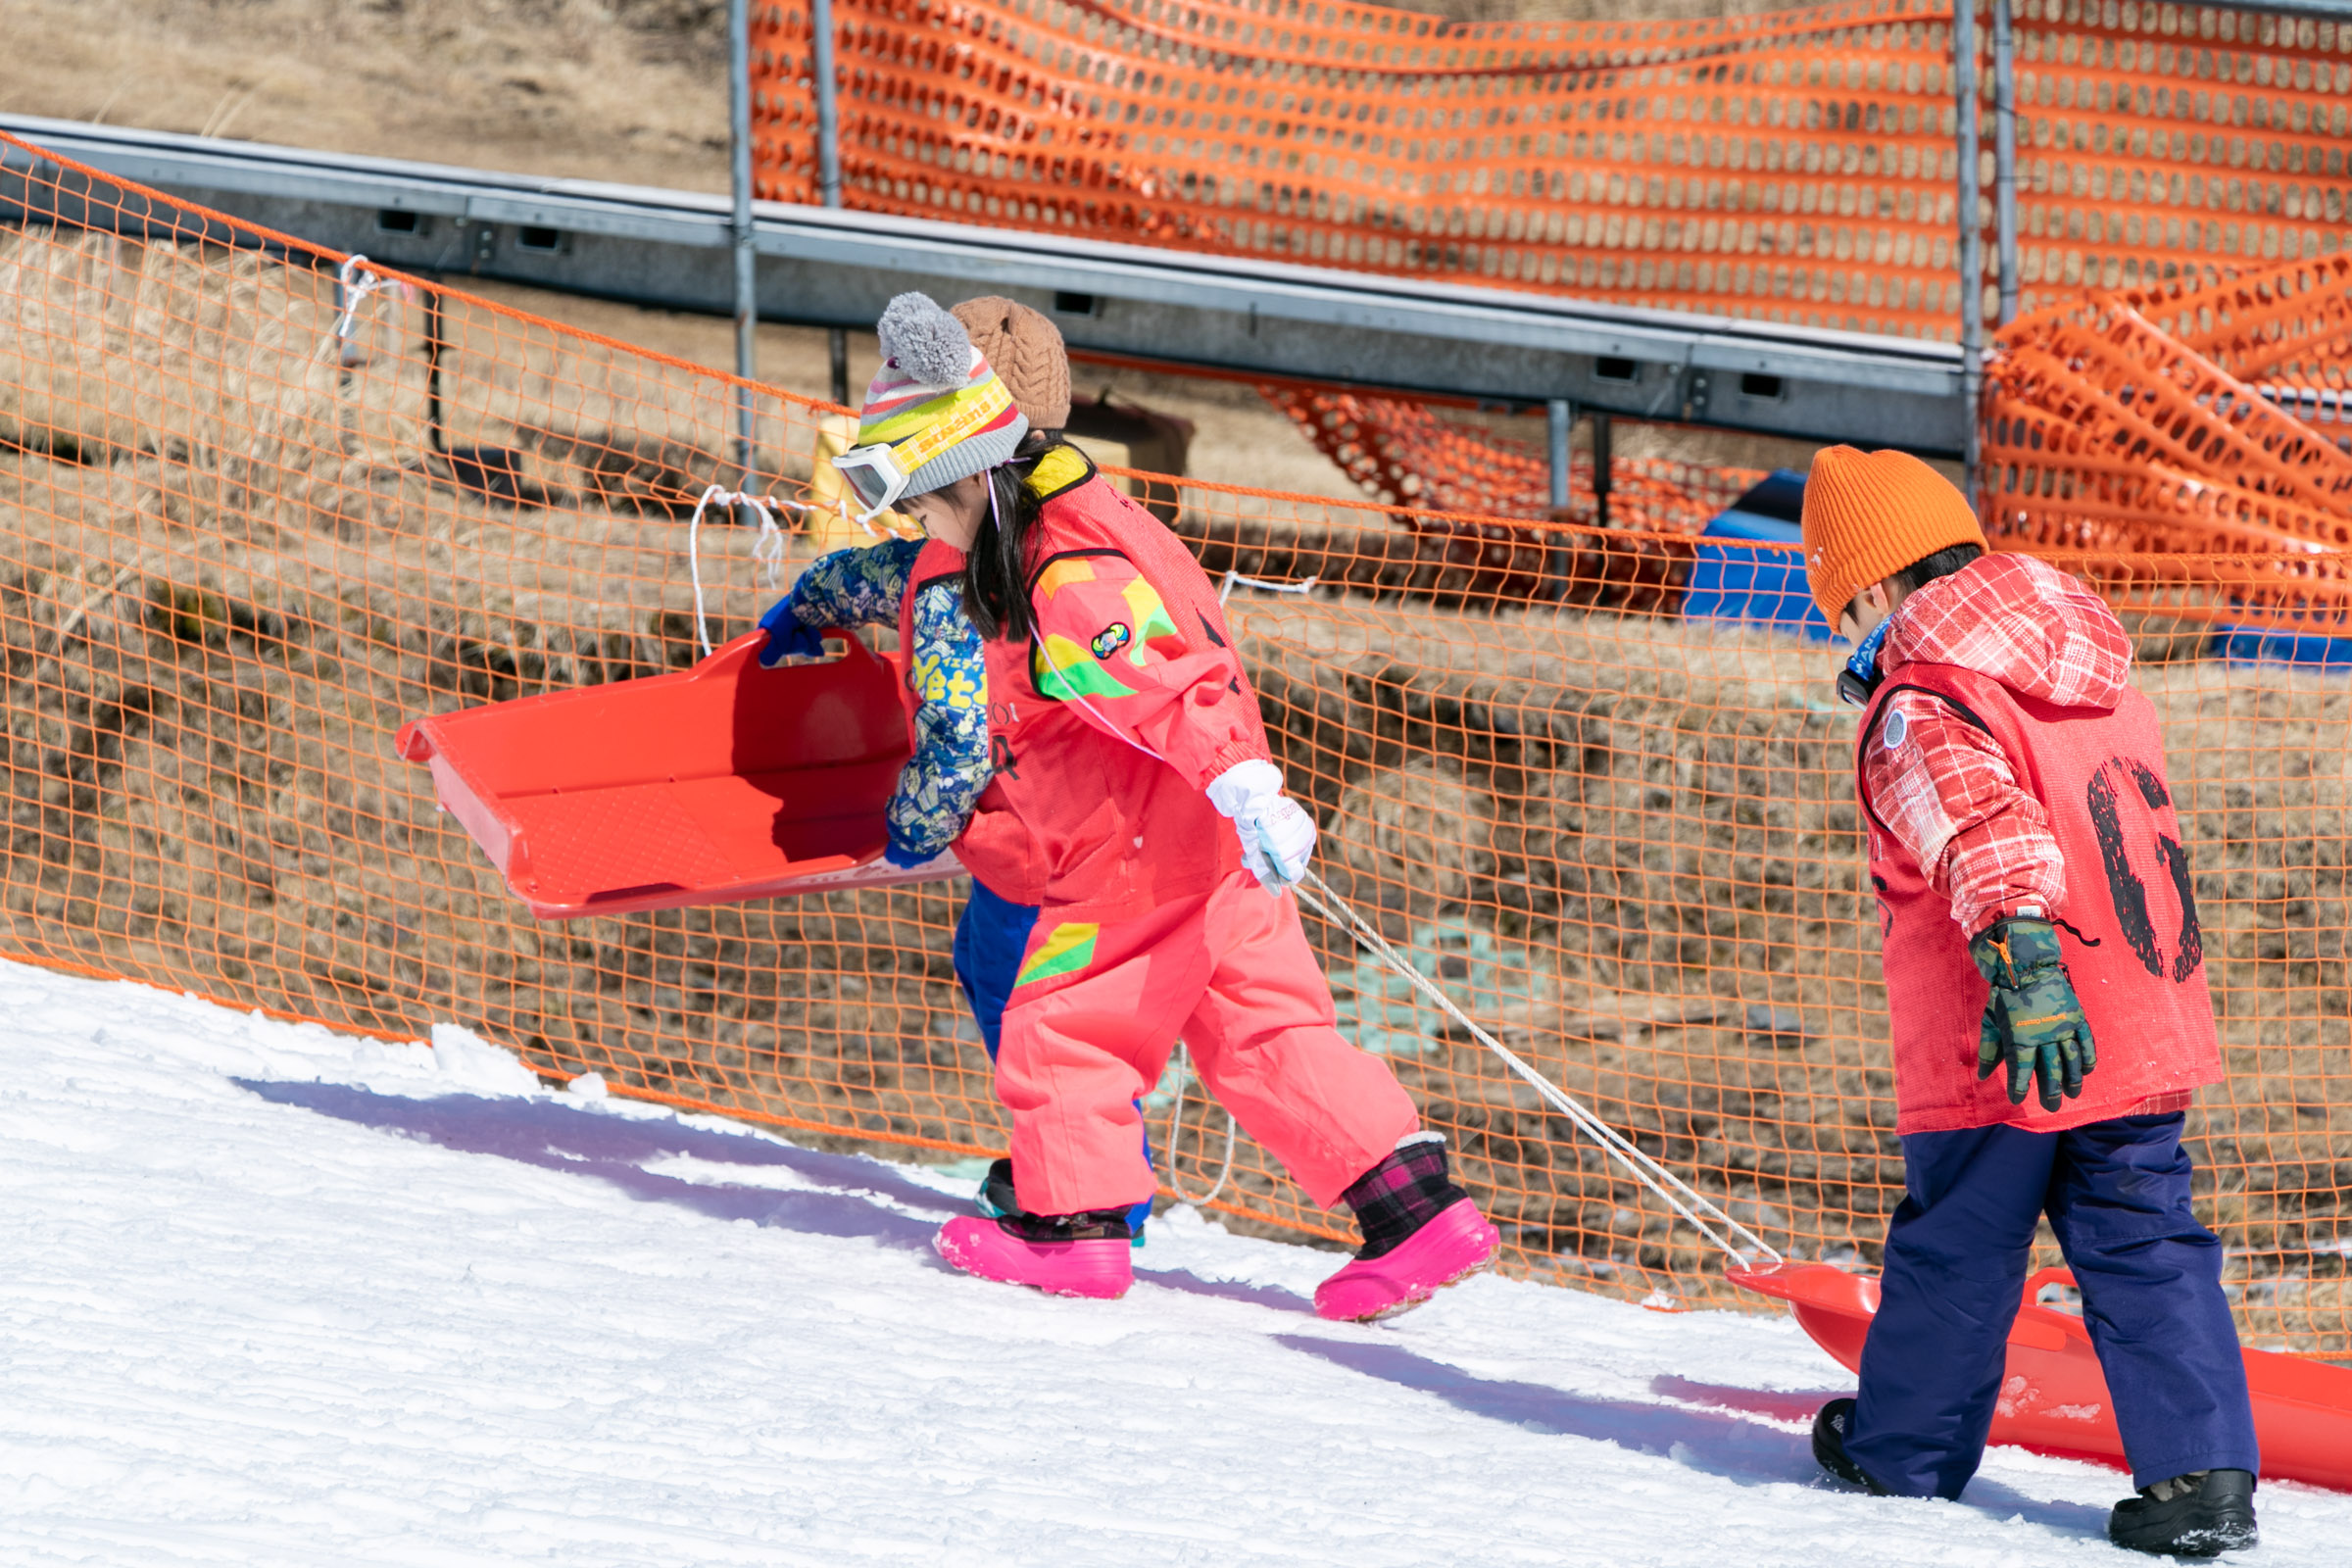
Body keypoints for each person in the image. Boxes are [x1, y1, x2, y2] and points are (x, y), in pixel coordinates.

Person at [759, 291, 1499, 1318]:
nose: (910, 523)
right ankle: (1414, 1211)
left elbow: (1163, 676)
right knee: (1265, 1029)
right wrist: (812, 600)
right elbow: (913, 571)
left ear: (967, 473)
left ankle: (1073, 1231)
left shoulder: (1062, 574)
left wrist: (1246, 781)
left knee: (1063, 1026)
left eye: (916, 498)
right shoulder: (1051, 524)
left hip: (1129, 853)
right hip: (1207, 847)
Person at [1797, 447, 2259, 1556]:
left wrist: (2028, 971)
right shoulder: (2095, 674)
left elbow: (1987, 833)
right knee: (2148, 1238)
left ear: (1870, 587)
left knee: (1958, 1245)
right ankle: (2202, 1478)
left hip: (2009, 1034)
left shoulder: (1924, 697)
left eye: (1837, 607)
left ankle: (1902, 1451)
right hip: (2142, 1020)